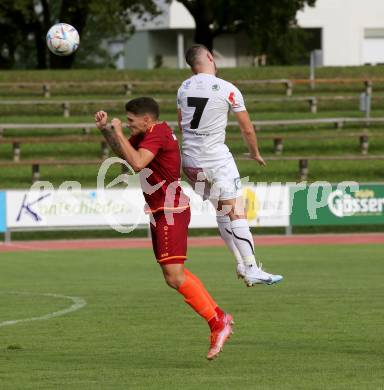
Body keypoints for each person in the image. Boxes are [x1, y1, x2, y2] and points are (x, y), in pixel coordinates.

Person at [95, 97, 233, 360]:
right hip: (161, 210)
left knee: (174, 275)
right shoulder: (150, 132)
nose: (128, 124)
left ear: (146, 119)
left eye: (131, 121)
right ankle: (218, 318)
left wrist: (120, 132)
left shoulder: (156, 134)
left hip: (171, 210)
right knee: (173, 276)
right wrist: (107, 131)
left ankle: (218, 321)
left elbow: (136, 163)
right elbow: (124, 155)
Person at [177, 44, 283, 287]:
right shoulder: (227, 88)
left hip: (191, 160)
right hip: (215, 159)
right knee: (236, 210)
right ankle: (252, 267)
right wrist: (255, 152)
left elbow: (182, 124)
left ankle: (240, 263)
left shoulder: (183, 88)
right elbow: (247, 128)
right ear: (210, 58)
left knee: (222, 211)